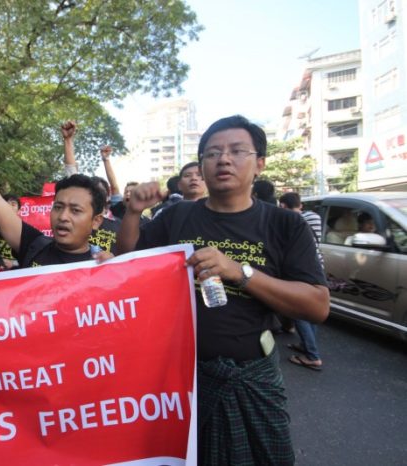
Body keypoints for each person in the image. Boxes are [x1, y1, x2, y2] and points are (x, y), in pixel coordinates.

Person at [116, 115, 329, 465]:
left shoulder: (284, 224)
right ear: (202, 164)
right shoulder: (177, 217)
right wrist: (133, 213)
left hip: (252, 377)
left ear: (259, 163)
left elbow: (317, 306)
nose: (223, 159)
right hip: (179, 380)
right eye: (212, 152)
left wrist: (239, 272)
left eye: (236, 151)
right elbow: (125, 265)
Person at [0, 119, 111, 267]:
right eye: (58, 207)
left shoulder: (106, 267)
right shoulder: (34, 245)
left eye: (75, 210)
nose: (63, 217)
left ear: (96, 221)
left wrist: (114, 269)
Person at [278, 192, 324, 371]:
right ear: (300, 204)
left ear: (282, 206)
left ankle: (312, 355)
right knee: (311, 308)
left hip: (298, 268)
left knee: (298, 310)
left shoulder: (288, 220)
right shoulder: (314, 217)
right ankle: (306, 346)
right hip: (317, 264)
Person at [60, 121, 121, 253]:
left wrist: (106, 160)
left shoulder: (119, 222)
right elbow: (71, 175)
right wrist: (68, 140)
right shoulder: (80, 217)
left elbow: (115, 187)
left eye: (101, 191)